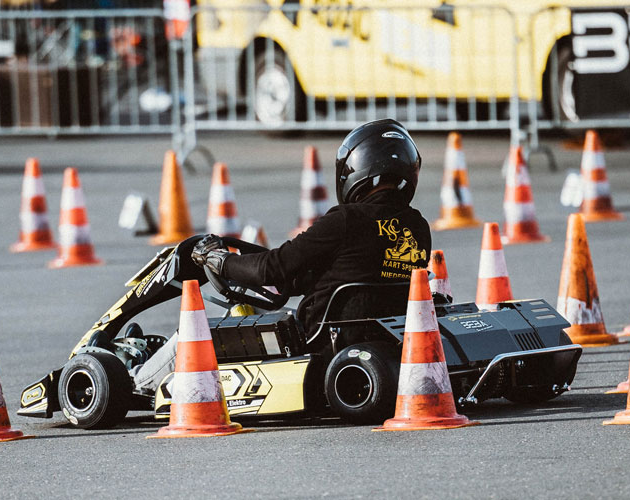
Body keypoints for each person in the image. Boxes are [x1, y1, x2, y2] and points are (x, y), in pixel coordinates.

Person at [133, 118, 431, 393]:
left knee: (201, 330)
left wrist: (219, 261)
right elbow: (349, 272)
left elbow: (272, 269)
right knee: (251, 311)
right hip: (381, 343)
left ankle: (137, 378)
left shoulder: (344, 221)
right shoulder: (418, 227)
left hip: (317, 344)